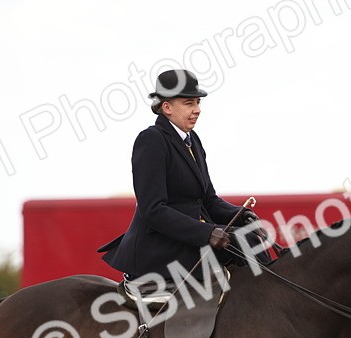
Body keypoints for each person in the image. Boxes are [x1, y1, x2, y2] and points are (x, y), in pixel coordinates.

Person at [98, 69, 257, 286]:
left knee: (249, 237)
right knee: (241, 241)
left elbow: (208, 200)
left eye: (198, 103)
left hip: (190, 239)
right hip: (160, 246)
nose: (197, 110)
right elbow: (153, 210)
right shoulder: (151, 140)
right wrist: (207, 232)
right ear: (167, 107)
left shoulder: (194, 141)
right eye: (189, 103)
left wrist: (241, 215)